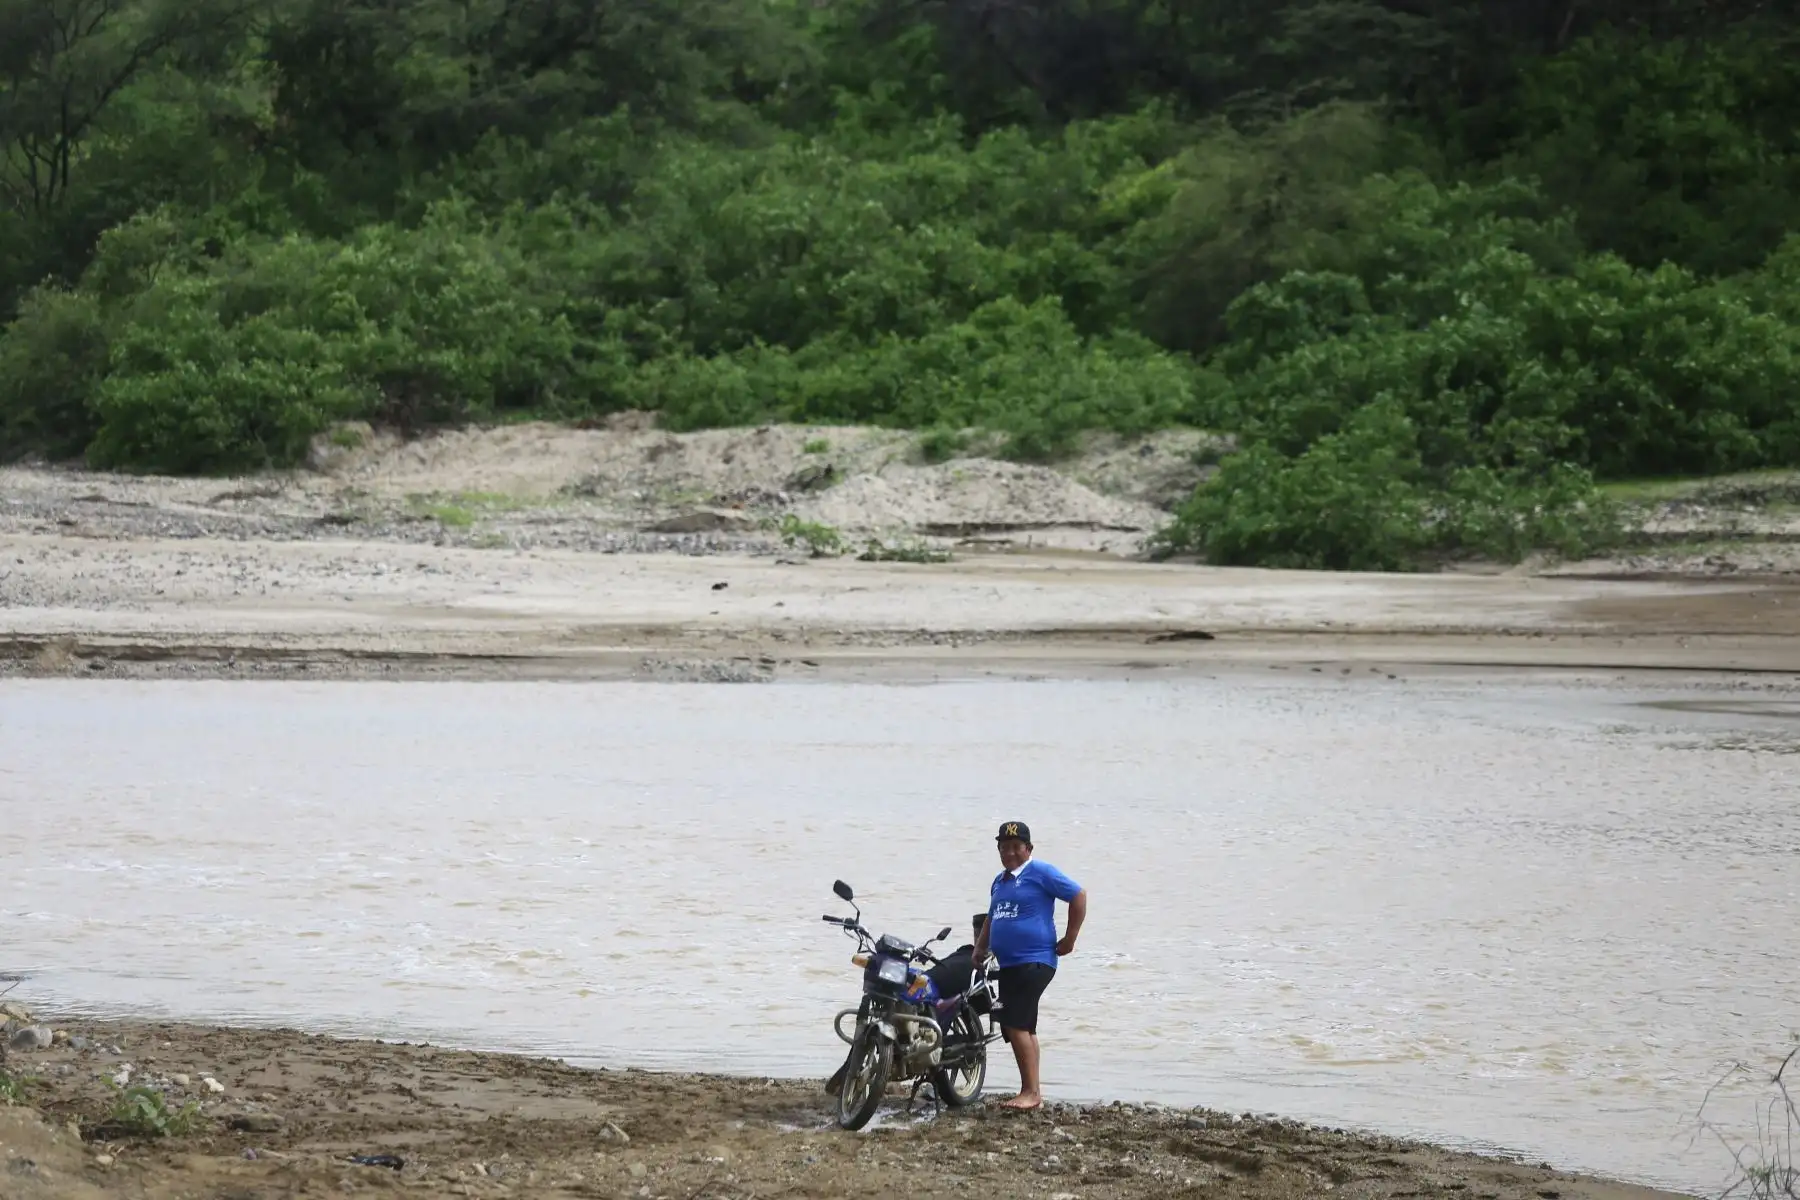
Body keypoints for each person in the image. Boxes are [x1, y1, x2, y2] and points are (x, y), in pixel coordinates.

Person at [970, 820, 1086, 1111]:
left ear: (1028, 848)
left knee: (1013, 1023)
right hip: (1009, 964)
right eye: (1003, 847)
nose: (1009, 853)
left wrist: (1070, 938)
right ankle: (1034, 1091)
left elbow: (1078, 895)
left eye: (1015, 847)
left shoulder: (1041, 872)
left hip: (1034, 960)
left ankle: (1030, 1093)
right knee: (1024, 1026)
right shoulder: (999, 881)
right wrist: (980, 947)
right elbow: (992, 917)